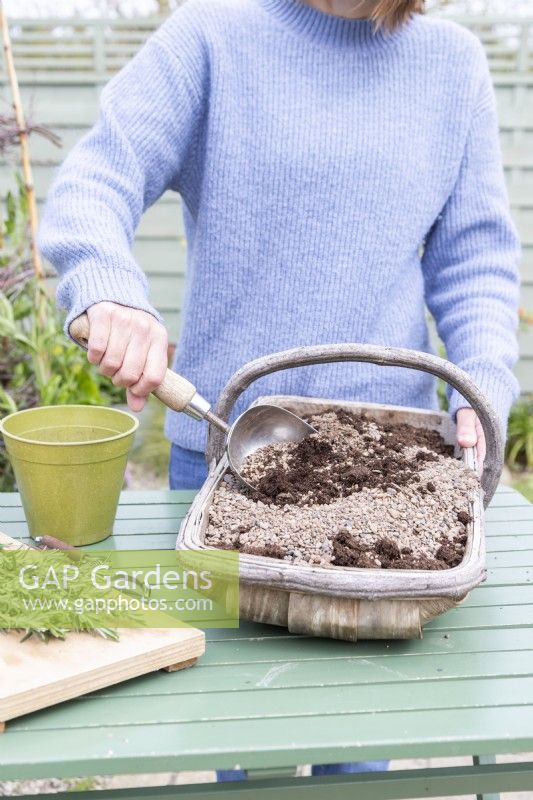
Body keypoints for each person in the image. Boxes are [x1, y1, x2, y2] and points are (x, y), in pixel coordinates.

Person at [39, 0, 520, 781]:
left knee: (357, 752)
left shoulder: (451, 64)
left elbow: (474, 263)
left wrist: (483, 384)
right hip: (231, 465)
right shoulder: (210, 39)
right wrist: (108, 288)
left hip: (394, 479)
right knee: (243, 740)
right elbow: (98, 178)